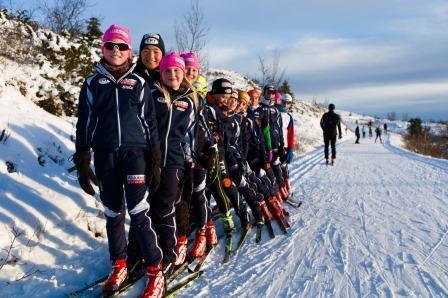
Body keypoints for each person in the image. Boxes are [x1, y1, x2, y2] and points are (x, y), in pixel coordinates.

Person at [73, 25, 163, 297]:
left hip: (135, 155)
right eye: (110, 45)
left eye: (122, 46)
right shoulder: (91, 83)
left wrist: (156, 158)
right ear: (102, 48)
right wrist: (82, 156)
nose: (116, 50)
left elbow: (151, 124)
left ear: (129, 52)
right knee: (112, 212)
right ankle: (119, 263)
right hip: (105, 155)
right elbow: (84, 123)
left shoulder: (139, 83)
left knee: (138, 211)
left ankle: (155, 270)